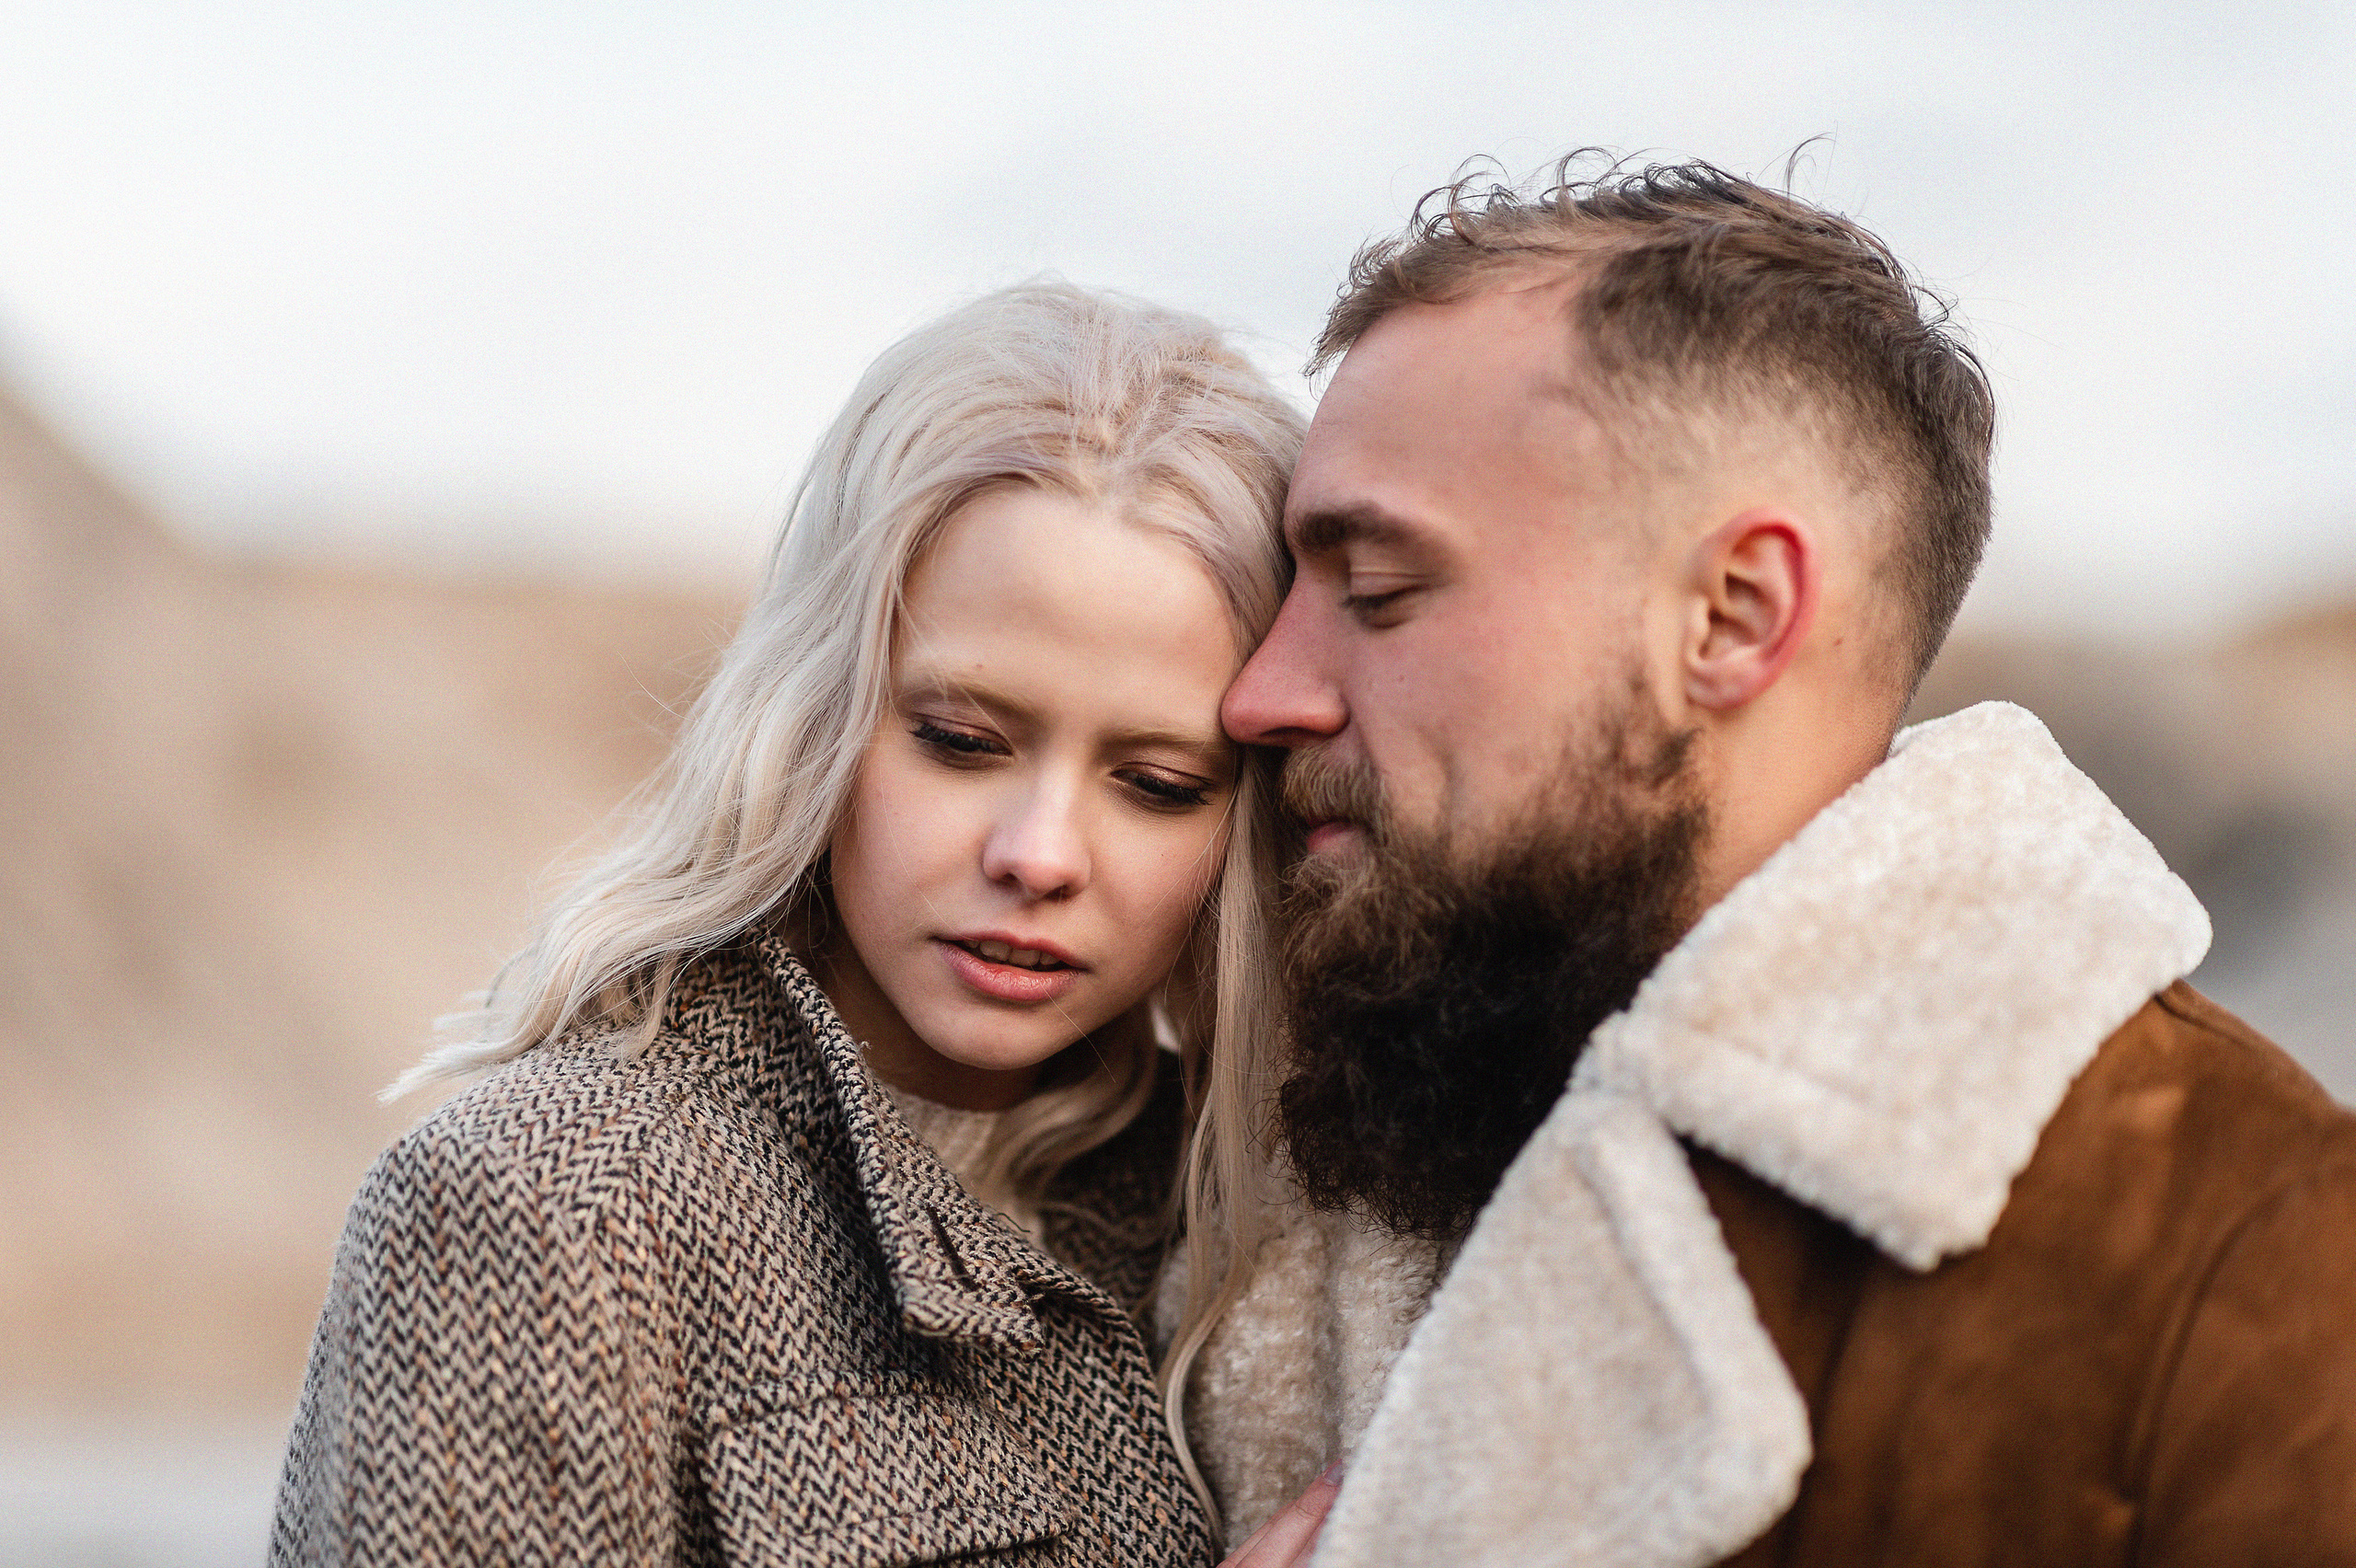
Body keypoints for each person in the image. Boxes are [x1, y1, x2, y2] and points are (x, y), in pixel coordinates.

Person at [1172, 158, 2356, 1566]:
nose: (1260, 696)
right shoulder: (1253, 1201)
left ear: (1732, 618)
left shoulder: (2251, 1265)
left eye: (1378, 591)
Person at [271, 280, 1300, 1566]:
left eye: (1155, 785)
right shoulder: (547, 1210)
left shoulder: (1285, 1227)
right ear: (818, 710)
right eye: (961, 742)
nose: (1038, 855)